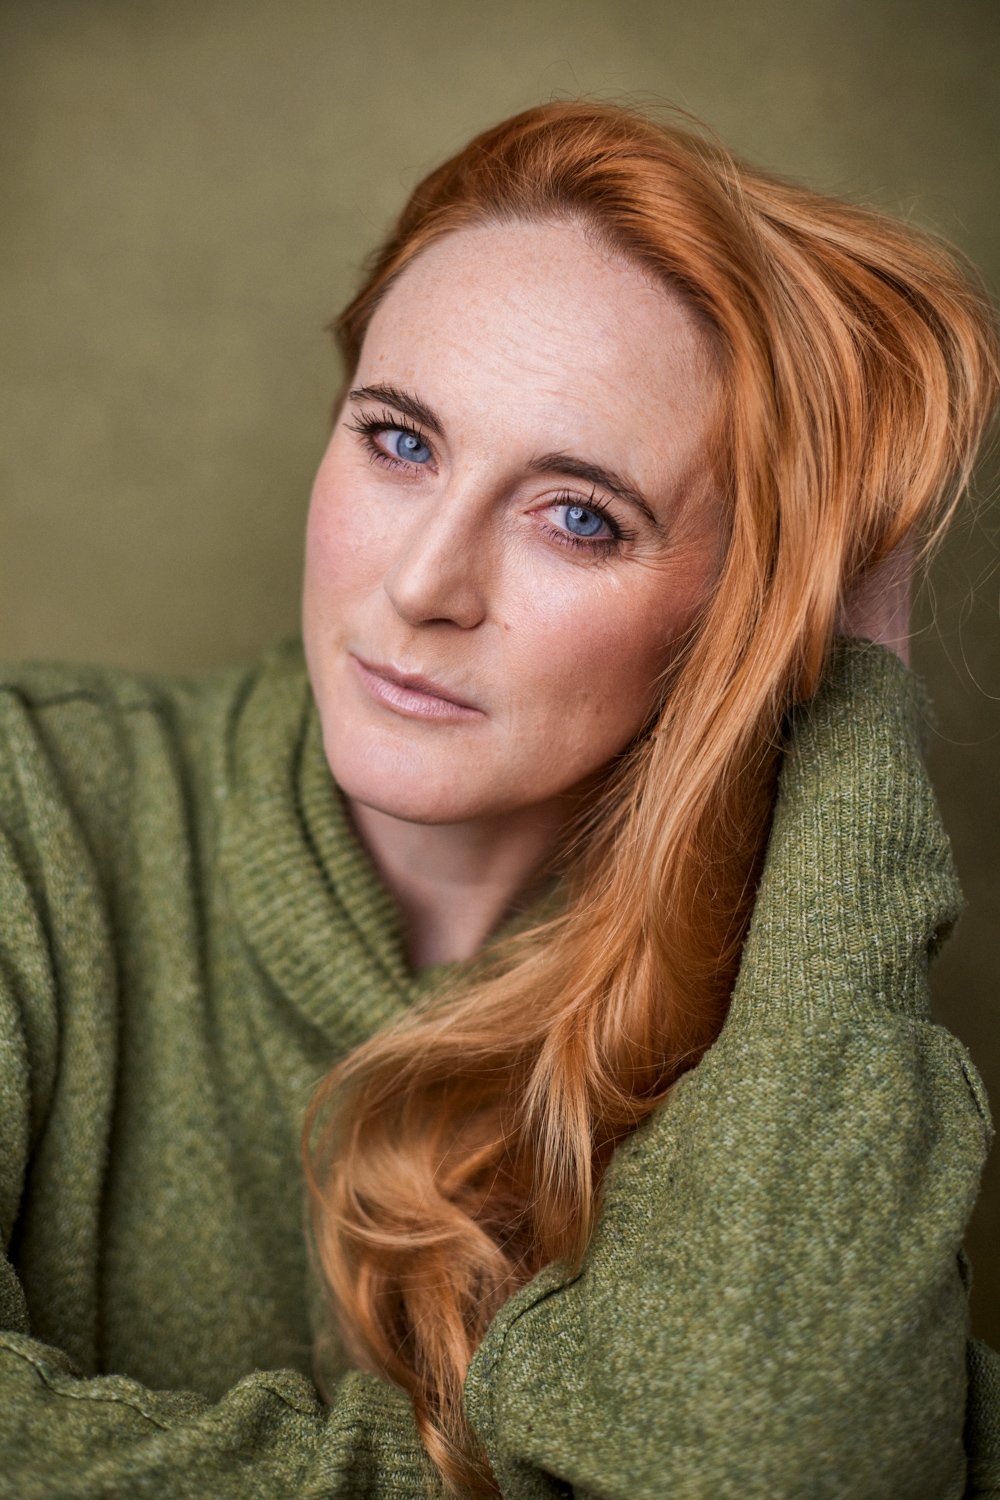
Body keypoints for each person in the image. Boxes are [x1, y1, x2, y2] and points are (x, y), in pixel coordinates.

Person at [1, 99, 998, 1500]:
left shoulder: (788, 1025)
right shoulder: (28, 807)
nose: (424, 586)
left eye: (579, 515)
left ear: (746, 613)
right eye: (399, 441)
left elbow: (809, 1461)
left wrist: (847, 706)